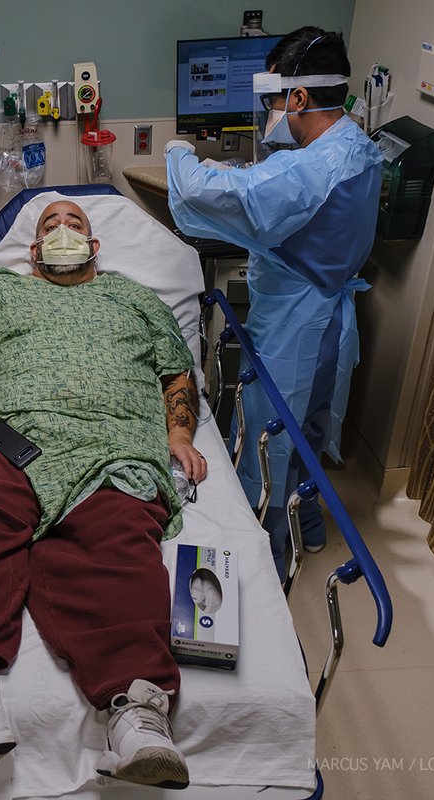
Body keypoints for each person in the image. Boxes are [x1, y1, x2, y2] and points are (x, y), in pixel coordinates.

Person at [0, 201, 206, 790]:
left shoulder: (136, 298)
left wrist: (178, 430)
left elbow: (177, 372)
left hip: (114, 444)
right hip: (11, 437)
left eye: (75, 224)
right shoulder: (2, 292)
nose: (63, 231)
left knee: (119, 541)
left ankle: (138, 715)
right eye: (50, 225)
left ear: (96, 246)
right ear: (32, 250)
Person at [165, 27, 381, 575]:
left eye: (275, 100)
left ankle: (262, 555)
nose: (272, 112)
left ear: (299, 98)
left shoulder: (309, 167)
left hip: (295, 323)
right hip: (329, 316)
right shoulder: (358, 146)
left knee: (268, 437)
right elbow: (276, 188)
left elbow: (206, 194)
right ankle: (306, 527)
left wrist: (180, 153)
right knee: (305, 427)